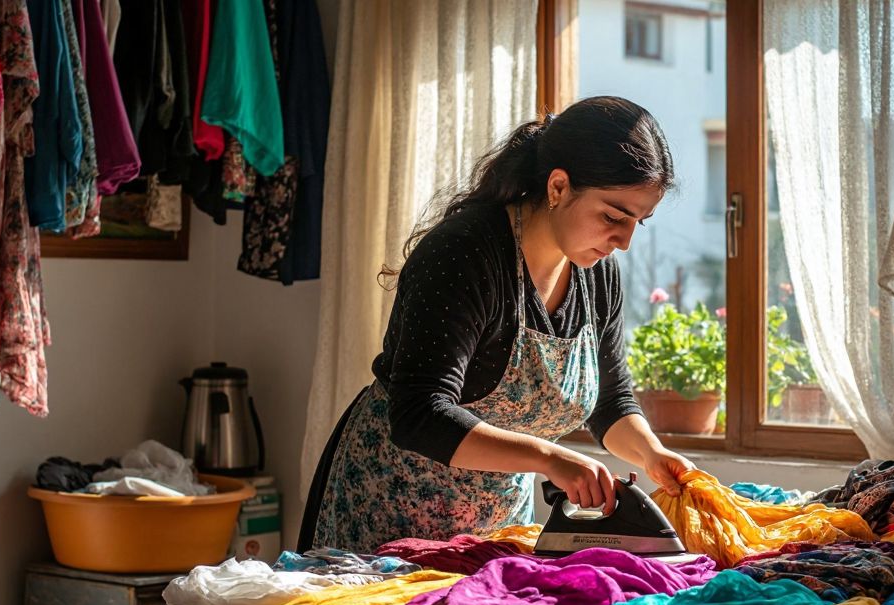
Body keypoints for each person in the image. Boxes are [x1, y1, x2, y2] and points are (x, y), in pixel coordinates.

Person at [299, 96, 697, 552]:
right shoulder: (465, 253)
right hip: (388, 513)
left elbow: (608, 400)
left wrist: (652, 454)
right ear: (558, 187)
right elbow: (419, 414)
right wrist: (549, 457)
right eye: (612, 216)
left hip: (496, 525)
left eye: (638, 224)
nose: (624, 242)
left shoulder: (596, 273)